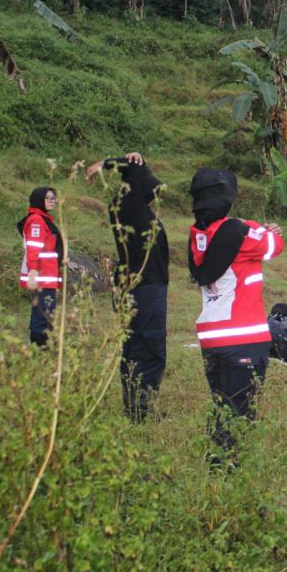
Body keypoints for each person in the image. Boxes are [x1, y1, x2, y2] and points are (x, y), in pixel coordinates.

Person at [187, 168, 285, 464]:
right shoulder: (240, 232)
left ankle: (217, 468)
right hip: (243, 337)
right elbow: (274, 245)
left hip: (212, 340)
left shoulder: (198, 236)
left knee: (222, 405)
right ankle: (228, 475)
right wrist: (256, 227)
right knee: (240, 411)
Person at [86, 152, 169, 423]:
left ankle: (136, 407)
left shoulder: (130, 208)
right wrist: (112, 162)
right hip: (144, 287)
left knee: (134, 348)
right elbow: (135, 169)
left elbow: (139, 174)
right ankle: (142, 410)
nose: (155, 190)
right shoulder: (129, 207)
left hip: (139, 285)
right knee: (148, 348)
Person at [18, 187, 62, 347]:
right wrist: (33, 273)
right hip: (42, 277)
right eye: (48, 198)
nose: (52, 201)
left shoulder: (44, 219)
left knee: (46, 313)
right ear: (39, 200)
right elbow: (33, 249)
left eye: (53, 198)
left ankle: (45, 346)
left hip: (47, 276)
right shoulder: (37, 220)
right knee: (43, 315)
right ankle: (40, 348)